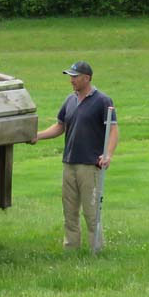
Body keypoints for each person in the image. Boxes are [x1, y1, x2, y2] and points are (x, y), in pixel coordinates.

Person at [30, 61, 119, 252]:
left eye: (75, 76)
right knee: (69, 210)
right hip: (69, 163)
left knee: (91, 211)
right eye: (70, 76)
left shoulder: (103, 101)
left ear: (86, 78)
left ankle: (97, 250)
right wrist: (38, 136)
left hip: (89, 164)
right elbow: (60, 126)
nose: (71, 80)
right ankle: (71, 249)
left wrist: (108, 155)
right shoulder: (70, 100)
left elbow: (113, 130)